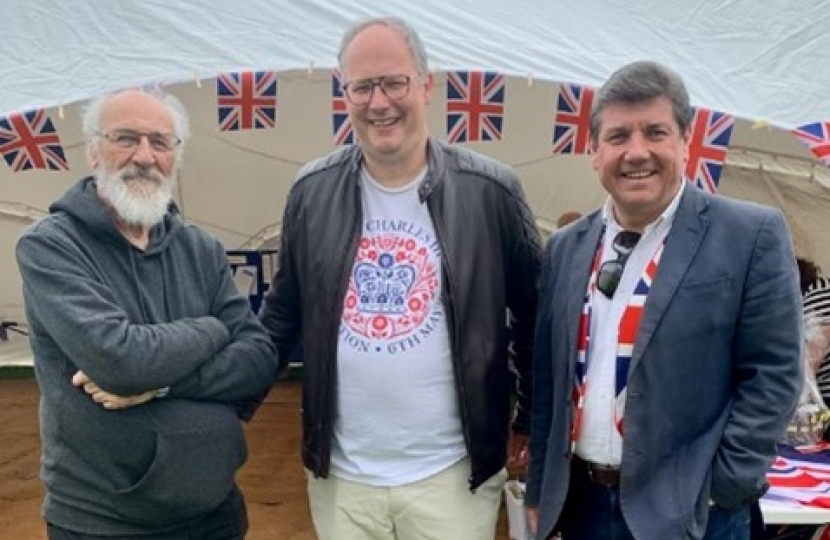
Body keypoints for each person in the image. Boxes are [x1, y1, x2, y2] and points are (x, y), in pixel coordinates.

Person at [258, 16, 542, 540]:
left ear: (427, 85)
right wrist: (209, 396)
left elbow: (536, 318)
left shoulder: (490, 191)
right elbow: (280, 319)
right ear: (344, 95)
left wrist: (528, 421)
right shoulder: (311, 193)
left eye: (394, 82)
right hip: (343, 480)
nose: (379, 102)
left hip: (453, 479)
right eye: (362, 87)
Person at [525, 60, 802, 540]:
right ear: (594, 151)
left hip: (693, 514)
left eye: (655, 132)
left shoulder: (749, 234)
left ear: (684, 141)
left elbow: (774, 374)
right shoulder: (566, 247)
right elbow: (549, 380)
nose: (636, 153)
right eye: (618, 136)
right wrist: (538, 493)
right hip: (582, 509)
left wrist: (722, 485)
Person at [15, 88, 280, 539]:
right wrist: (212, 328)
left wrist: (162, 382)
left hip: (215, 512)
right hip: (107, 522)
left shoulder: (201, 249)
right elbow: (120, 362)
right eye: (126, 138)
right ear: (94, 151)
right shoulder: (51, 246)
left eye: (160, 142)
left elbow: (258, 360)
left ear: (176, 156)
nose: (144, 155)